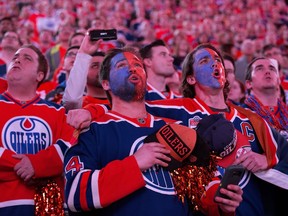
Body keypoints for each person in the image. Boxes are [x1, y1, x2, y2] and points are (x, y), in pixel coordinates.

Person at [69, 43, 288, 216]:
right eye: (121, 66)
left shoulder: (177, 130)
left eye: (137, 65)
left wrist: (222, 201)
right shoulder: (94, 129)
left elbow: (201, 184)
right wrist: (134, 163)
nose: (133, 69)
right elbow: (72, 195)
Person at [0, 44, 74, 215]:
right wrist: (33, 166)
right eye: (15, 57)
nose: (17, 60)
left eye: (27, 58)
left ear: (39, 75)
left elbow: (69, 147)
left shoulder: (57, 111)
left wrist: (37, 164)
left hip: (49, 205)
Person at [244, 57, 288, 140]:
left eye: (272, 69)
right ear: (249, 83)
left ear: (278, 81)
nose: (268, 71)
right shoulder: (242, 114)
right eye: (260, 69)